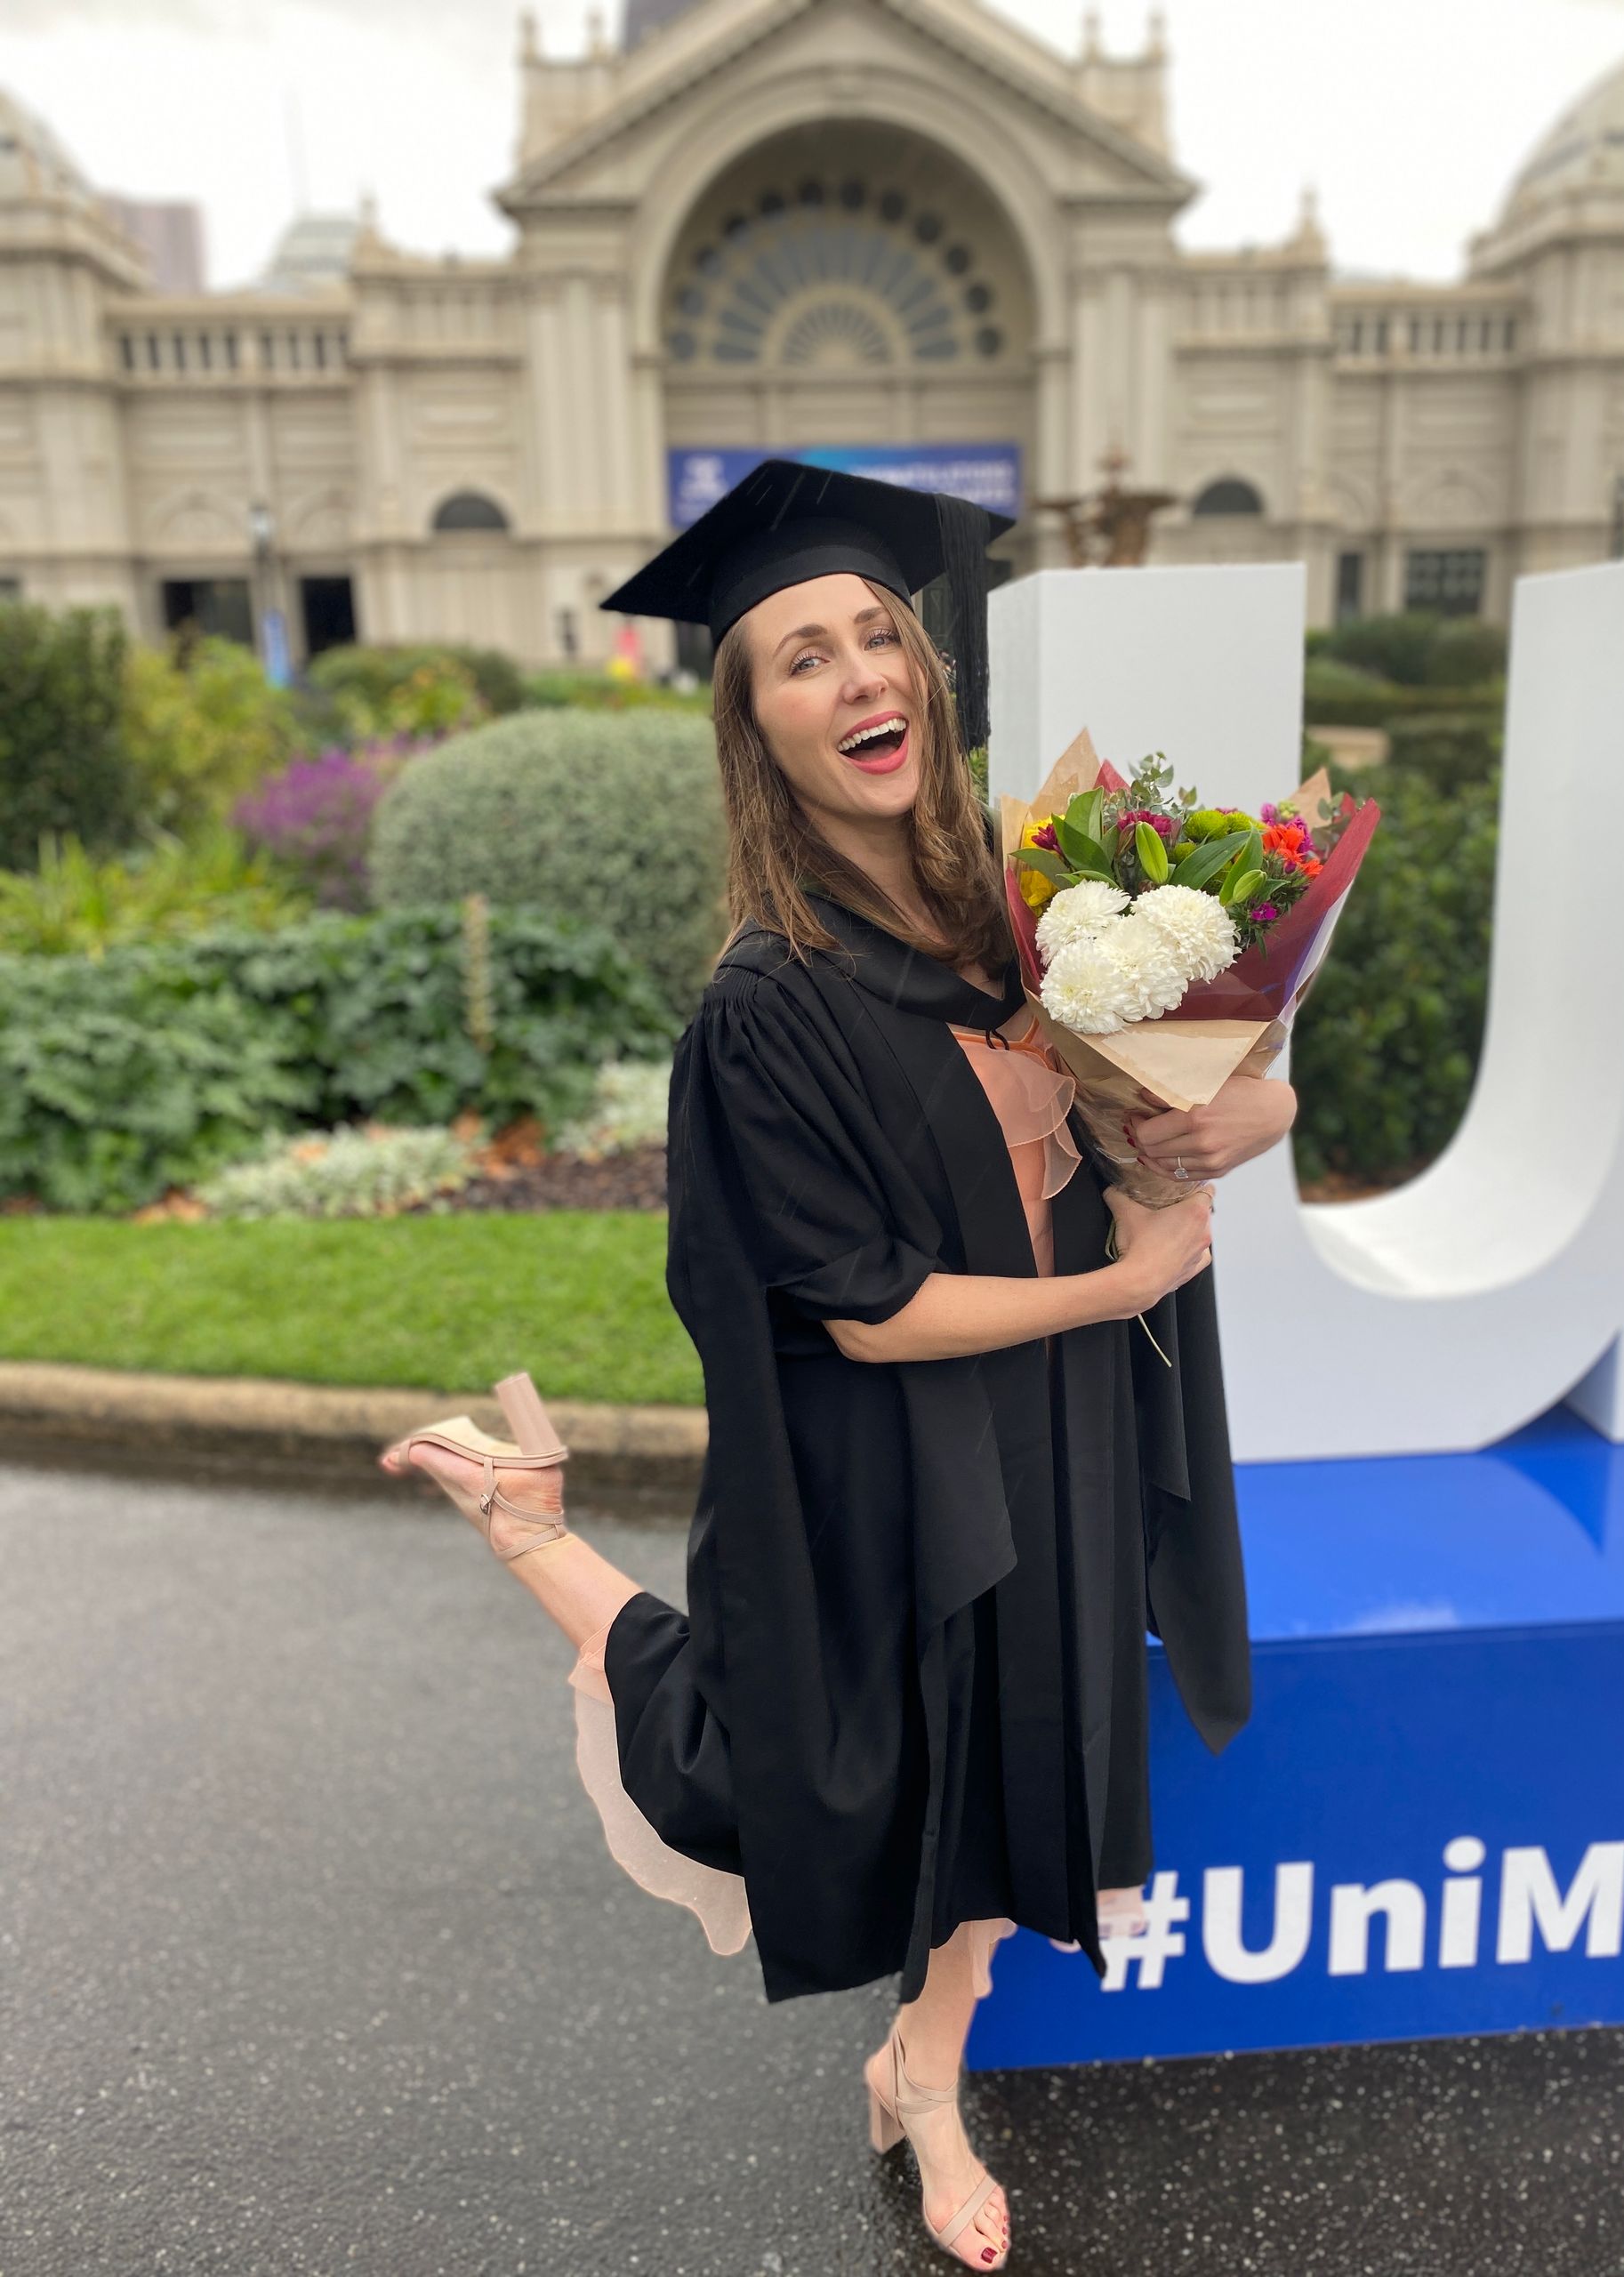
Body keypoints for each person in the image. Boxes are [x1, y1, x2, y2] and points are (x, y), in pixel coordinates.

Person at [380, 458, 1298, 2269]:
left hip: (1063, 1428)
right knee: (842, 1771)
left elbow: (1204, 1096)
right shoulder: (769, 1005)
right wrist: (1118, 1288)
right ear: (756, 725)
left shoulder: (1047, 907)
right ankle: (533, 1533)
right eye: (804, 654)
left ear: (927, 676)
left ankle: (927, 2066)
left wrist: (1225, 1120)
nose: (861, 672)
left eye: (882, 633)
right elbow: (865, 1304)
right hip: (899, 1443)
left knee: (1023, 1763)